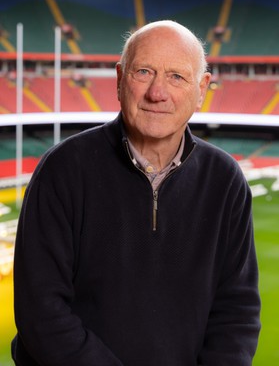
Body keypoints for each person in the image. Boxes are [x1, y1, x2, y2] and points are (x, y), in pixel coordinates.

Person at [12, 20, 261, 366]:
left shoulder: (226, 180)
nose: (157, 92)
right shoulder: (62, 170)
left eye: (177, 76)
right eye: (143, 72)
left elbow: (237, 312)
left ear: (202, 88)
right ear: (119, 79)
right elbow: (41, 312)